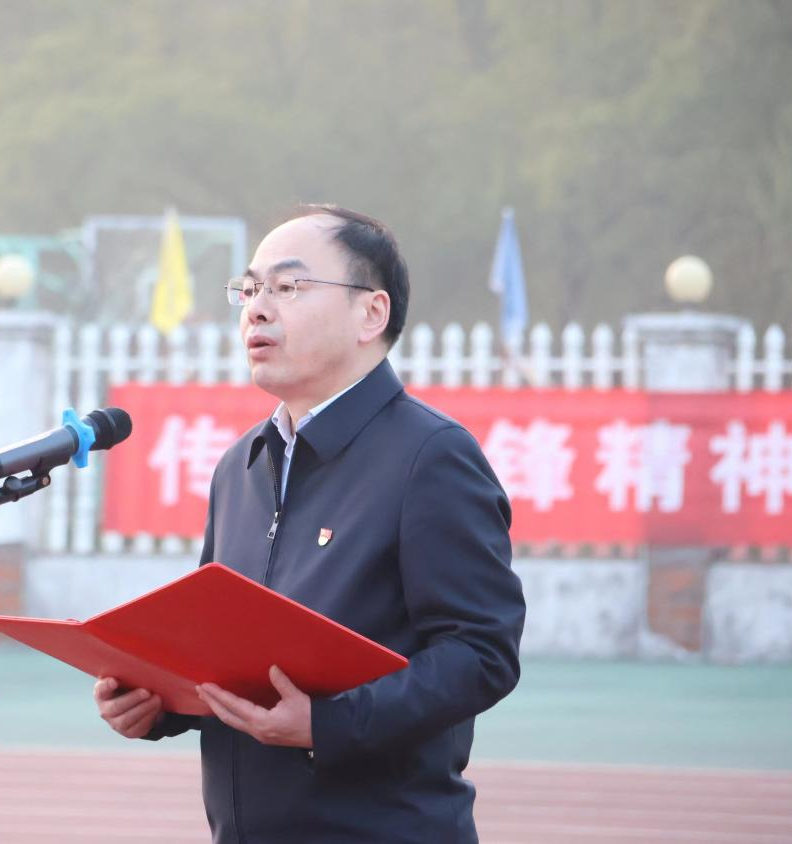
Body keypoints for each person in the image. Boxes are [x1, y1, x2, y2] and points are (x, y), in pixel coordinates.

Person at [93, 205, 525, 843]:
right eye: (249, 290)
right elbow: (228, 652)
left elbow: (481, 654)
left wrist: (329, 724)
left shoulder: (429, 456)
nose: (257, 310)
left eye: (288, 287)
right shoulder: (240, 466)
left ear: (370, 314)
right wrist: (158, 704)